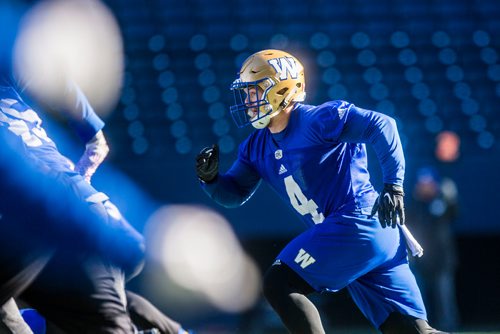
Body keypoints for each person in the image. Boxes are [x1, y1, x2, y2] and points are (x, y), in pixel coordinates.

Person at [196, 49, 446, 333]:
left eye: (254, 90)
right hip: (372, 232)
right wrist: (211, 180)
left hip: (356, 223)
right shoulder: (255, 146)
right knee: (411, 331)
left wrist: (393, 185)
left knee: (279, 284)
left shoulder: (318, 119)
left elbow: (383, 125)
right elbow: (235, 194)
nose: (247, 100)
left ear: (281, 88)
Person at [0, 75, 188, 334]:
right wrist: (93, 132)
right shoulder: (8, 76)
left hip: (50, 227)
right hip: (96, 218)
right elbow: (51, 70)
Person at [409, 167, 460, 331]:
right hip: (421, 260)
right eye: (422, 183)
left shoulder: (442, 202)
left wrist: (450, 197)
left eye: (428, 183)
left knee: (444, 300)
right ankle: (423, 329)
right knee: (420, 300)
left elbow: (454, 213)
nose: (425, 187)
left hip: (442, 260)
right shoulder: (414, 206)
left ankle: (449, 327)